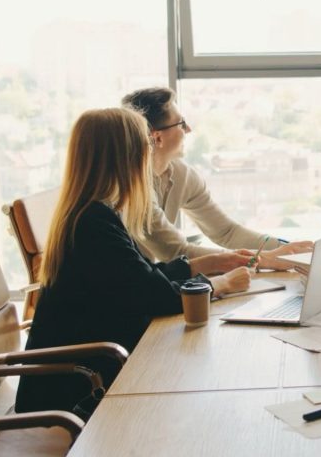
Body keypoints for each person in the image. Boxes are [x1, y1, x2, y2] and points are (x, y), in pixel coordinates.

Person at [15, 108, 251, 415]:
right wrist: (221, 284)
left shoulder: (91, 213)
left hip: (87, 373)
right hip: (74, 394)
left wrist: (202, 265)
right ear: (126, 158)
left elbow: (140, 279)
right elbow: (158, 297)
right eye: (146, 148)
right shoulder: (93, 223)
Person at [122, 87, 313, 270]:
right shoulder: (129, 186)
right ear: (158, 138)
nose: (188, 129)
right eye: (181, 123)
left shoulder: (183, 175)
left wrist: (287, 248)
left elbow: (226, 232)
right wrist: (262, 259)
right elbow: (175, 252)